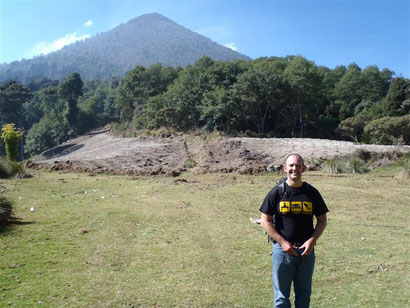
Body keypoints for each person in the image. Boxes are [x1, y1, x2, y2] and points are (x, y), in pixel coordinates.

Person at [260, 153, 328, 308]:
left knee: (304, 297)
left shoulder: (311, 193)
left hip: (306, 252)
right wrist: (283, 243)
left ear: (303, 168)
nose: (294, 168)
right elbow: (265, 221)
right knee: (281, 299)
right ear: (285, 168)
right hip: (282, 252)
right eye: (291, 165)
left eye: (298, 165)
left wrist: (312, 241)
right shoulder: (277, 192)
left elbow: (322, 220)